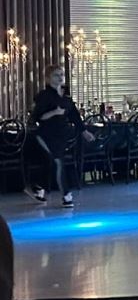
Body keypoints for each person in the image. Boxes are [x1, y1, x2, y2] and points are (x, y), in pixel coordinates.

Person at [27, 65, 87, 206]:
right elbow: (37, 117)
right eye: (56, 75)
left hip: (61, 136)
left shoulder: (66, 98)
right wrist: (54, 112)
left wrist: (84, 131)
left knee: (52, 162)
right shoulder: (43, 96)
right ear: (48, 78)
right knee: (58, 162)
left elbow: (75, 116)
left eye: (61, 74)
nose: (60, 77)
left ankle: (39, 187)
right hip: (45, 135)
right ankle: (66, 195)